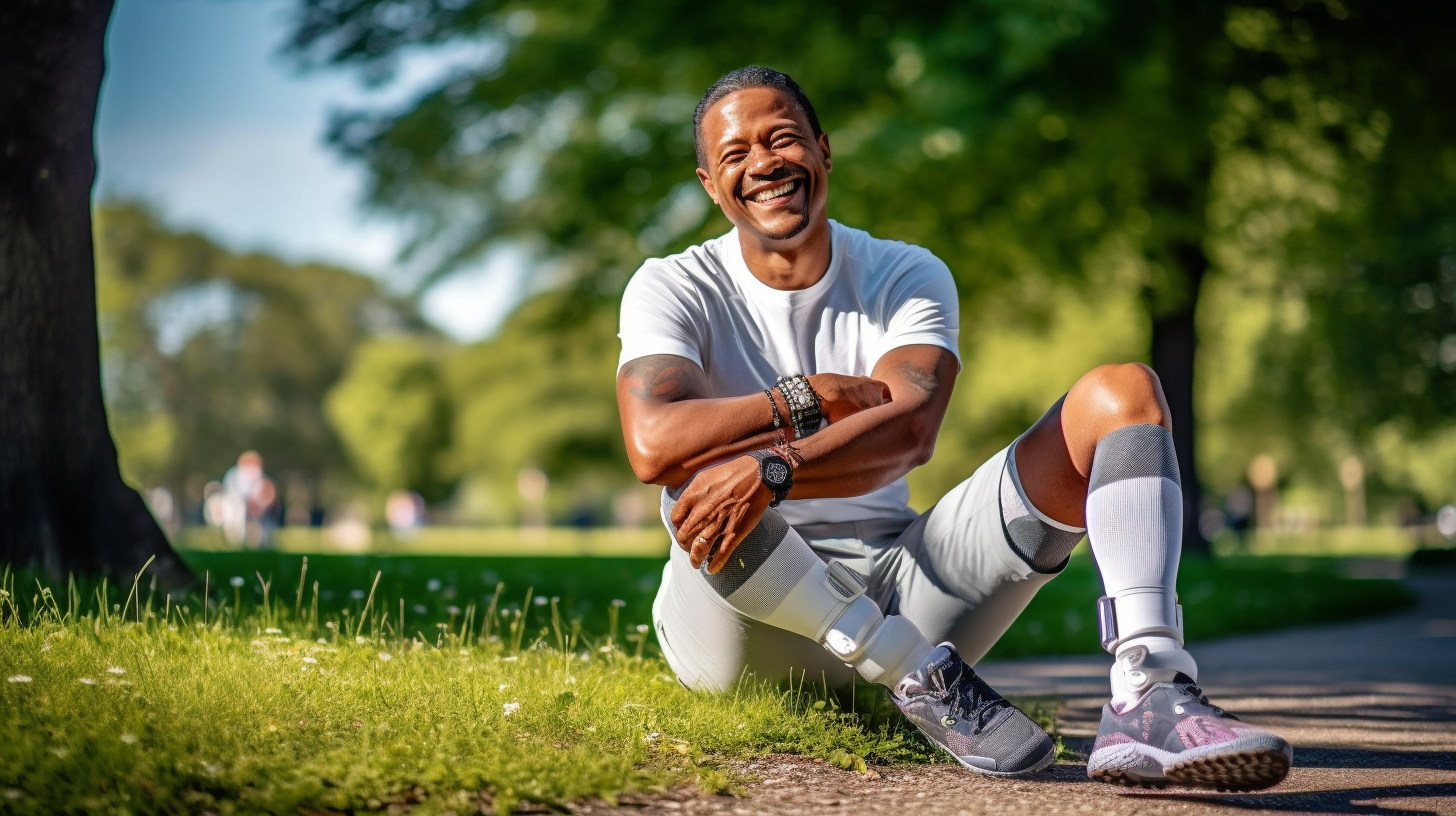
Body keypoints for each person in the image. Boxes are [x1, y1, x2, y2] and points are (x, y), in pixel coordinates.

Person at [615, 66, 1292, 789]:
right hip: (746, 630)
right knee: (697, 482)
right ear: (710, 185)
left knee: (1121, 394)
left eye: (783, 139)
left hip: (907, 585)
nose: (765, 164)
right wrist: (798, 398)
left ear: (823, 149)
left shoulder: (905, 273)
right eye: (736, 155)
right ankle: (910, 669)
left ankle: (1149, 693)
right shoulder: (672, 284)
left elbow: (907, 433)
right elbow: (655, 444)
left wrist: (772, 467)